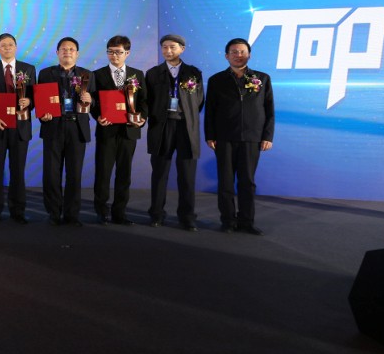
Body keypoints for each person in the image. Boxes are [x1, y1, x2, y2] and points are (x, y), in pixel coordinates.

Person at [204, 37, 275, 235]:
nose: (238, 55)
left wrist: (267, 136)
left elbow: (269, 109)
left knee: (247, 182)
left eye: (242, 51)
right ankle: (228, 221)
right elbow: (210, 111)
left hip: (252, 137)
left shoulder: (262, 78)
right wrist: (210, 135)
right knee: (225, 182)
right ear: (226, 56)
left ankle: (246, 221)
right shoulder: (216, 80)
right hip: (224, 137)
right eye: (234, 52)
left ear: (249, 55)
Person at [145, 34, 204, 231]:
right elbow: (147, 101)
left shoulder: (193, 72)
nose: (168, 50)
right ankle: (156, 214)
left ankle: (187, 217)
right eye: (164, 47)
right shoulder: (153, 73)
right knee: (159, 173)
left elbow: (199, 101)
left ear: (182, 49)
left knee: (187, 175)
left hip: (186, 127)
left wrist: (185, 113)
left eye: (172, 47)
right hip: (162, 127)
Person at [90, 35, 147, 225]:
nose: (114, 55)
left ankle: (120, 212)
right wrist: (97, 116)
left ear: (127, 53)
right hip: (107, 130)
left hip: (129, 131)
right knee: (103, 173)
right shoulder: (97, 75)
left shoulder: (137, 75)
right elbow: (93, 102)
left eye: (118, 52)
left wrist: (142, 119)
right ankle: (101, 211)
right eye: (110, 52)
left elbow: (144, 101)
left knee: (124, 174)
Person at [37, 37, 94, 226]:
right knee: (51, 173)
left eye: (71, 49)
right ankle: (53, 213)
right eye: (63, 49)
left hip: (77, 128)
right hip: (53, 126)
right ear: (57, 53)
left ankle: (72, 215)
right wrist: (43, 114)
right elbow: (40, 99)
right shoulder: (46, 73)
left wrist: (91, 100)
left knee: (74, 174)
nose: (67, 52)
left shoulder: (87, 75)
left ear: (77, 53)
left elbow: (96, 102)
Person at [0, 33, 35, 224]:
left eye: (10, 44)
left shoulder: (28, 69)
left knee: (18, 170)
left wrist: (29, 101)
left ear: (16, 47)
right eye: (3, 45)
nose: (7, 48)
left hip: (20, 127)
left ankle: (18, 210)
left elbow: (34, 96)